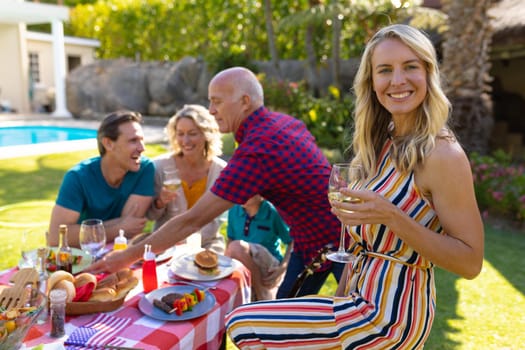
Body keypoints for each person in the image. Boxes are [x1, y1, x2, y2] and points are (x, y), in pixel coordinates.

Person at [224, 24, 484, 349]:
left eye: (410, 67)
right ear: (372, 82)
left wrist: (392, 216)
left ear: (428, 73)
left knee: (244, 323)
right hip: (356, 302)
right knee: (247, 324)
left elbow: (471, 262)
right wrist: (339, 297)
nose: (398, 80)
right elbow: (358, 249)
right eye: (385, 70)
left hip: (391, 316)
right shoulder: (383, 142)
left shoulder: (442, 154)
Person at [88, 67, 345, 299]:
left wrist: (124, 257)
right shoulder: (281, 123)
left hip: (344, 239)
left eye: (217, 102)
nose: (211, 110)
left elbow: (192, 221)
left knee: (357, 327)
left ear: (245, 102)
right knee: (284, 317)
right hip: (311, 239)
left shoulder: (259, 147)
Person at [48, 110, 155, 248]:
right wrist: (117, 228)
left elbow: (132, 226)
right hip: (84, 258)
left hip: (123, 254)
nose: (142, 148)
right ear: (108, 144)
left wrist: (85, 230)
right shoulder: (78, 177)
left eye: (142, 140)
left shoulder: (144, 169)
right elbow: (56, 238)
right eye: (133, 141)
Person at [146, 104, 226, 254]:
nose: (185, 140)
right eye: (180, 133)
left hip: (207, 245)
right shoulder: (159, 166)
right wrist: (160, 202)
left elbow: (221, 218)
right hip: (165, 246)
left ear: (206, 134)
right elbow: (151, 217)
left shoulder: (221, 171)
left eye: (192, 133)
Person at [226, 194, 292, 301]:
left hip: (267, 266)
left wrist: (282, 269)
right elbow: (230, 238)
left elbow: (292, 241)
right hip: (243, 264)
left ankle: (262, 293)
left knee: (236, 247)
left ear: (262, 195)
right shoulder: (234, 210)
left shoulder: (273, 212)